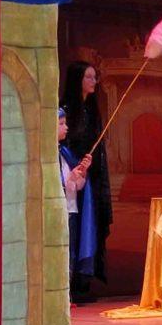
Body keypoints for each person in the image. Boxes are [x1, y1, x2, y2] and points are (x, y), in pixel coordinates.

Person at [59, 61, 111, 302]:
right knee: (75, 227)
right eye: (88, 77)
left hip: (90, 176)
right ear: (78, 79)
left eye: (94, 77)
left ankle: (83, 282)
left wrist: (90, 166)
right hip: (72, 174)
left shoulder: (91, 109)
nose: (94, 81)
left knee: (89, 227)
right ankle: (69, 284)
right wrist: (77, 165)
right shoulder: (66, 110)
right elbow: (64, 143)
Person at [57, 108, 95, 306]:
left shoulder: (65, 154)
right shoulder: (48, 157)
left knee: (69, 254)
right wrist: (70, 179)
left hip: (70, 210)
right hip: (58, 213)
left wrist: (82, 171)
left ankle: (67, 294)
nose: (66, 127)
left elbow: (76, 186)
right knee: (59, 254)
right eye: (61, 124)